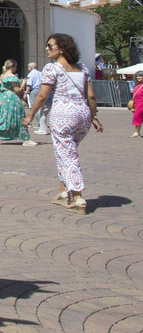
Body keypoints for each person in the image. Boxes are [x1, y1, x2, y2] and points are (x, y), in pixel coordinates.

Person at [23, 33, 102, 214]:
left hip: (63, 114)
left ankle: (78, 196)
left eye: (50, 46)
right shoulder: (82, 68)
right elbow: (90, 96)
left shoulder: (53, 69)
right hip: (82, 115)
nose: (47, 49)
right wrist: (94, 117)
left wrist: (30, 115)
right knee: (66, 151)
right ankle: (63, 191)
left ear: (62, 48)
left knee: (67, 155)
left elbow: (42, 95)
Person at [0, 60, 37, 146]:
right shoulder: (13, 77)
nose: (16, 69)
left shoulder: (2, 76)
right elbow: (17, 90)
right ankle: (26, 138)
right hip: (12, 99)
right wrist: (23, 84)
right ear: (12, 67)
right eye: (15, 67)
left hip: (3, 98)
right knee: (19, 116)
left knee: (2, 118)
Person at [129, 72, 143, 138]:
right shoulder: (138, 85)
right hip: (137, 104)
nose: (138, 77)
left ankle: (137, 132)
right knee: (137, 117)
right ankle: (137, 132)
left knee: (138, 117)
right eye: (137, 76)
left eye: (140, 76)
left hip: (141, 104)